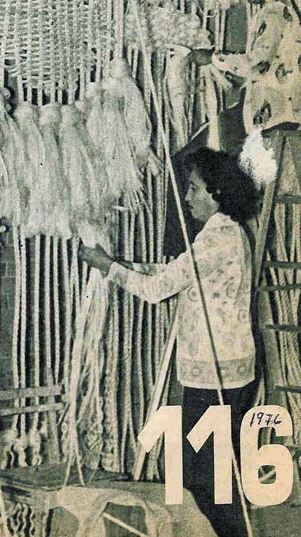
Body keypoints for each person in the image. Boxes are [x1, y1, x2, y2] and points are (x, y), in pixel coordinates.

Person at [81, 148, 258, 537]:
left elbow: (157, 289)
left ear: (215, 193)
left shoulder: (216, 241)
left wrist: (109, 267)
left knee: (205, 479)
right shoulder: (226, 233)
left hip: (215, 376)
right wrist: (118, 264)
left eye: (194, 188)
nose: (188, 197)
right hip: (226, 371)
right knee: (212, 474)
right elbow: (173, 272)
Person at [191, 0, 301, 137]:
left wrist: (212, 58)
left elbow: (256, 62)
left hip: (281, 120)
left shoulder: (274, 12)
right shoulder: (276, 9)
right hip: (279, 117)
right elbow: (265, 66)